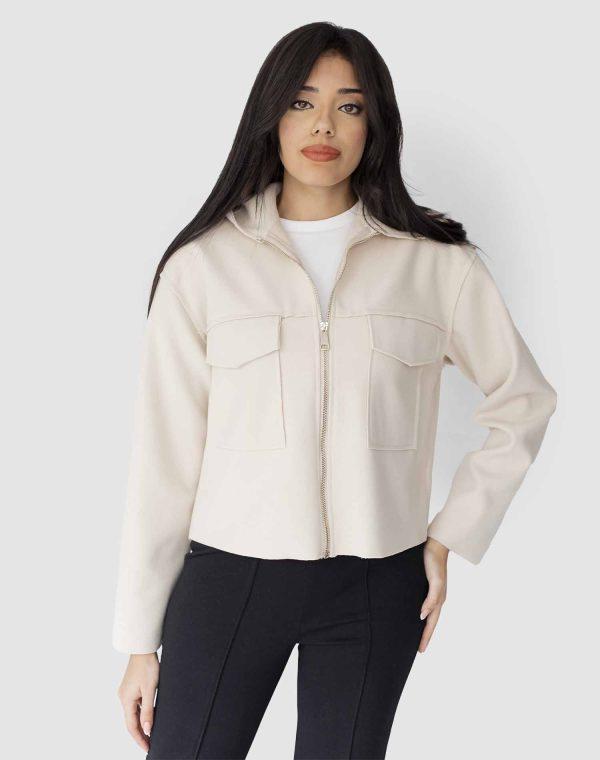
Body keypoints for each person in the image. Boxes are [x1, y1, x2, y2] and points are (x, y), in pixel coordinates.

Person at [113, 21, 557, 760]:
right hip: (230, 579)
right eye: (301, 101)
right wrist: (138, 641)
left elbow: (524, 402)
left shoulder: (436, 266)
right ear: (270, 116)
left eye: (349, 106)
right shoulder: (203, 268)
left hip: (377, 583)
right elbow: (163, 462)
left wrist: (449, 536)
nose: (323, 125)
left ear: (374, 124)